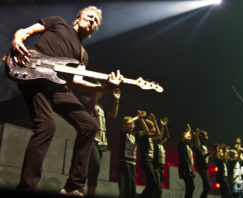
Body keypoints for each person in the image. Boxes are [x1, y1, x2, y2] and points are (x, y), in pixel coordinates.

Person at [9, 5, 123, 196]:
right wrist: (17, 39)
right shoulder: (58, 22)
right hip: (33, 73)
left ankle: (74, 186)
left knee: (89, 125)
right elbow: (25, 31)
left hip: (57, 85)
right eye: (90, 17)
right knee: (46, 126)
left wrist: (104, 88)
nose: (93, 21)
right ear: (79, 18)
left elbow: (77, 81)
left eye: (96, 22)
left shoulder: (82, 54)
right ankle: (26, 187)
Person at [85, 80, 121, 196]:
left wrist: (116, 100)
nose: (100, 93)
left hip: (101, 142)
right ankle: (77, 186)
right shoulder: (86, 100)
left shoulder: (101, 107)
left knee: (94, 171)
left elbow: (113, 115)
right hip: (91, 140)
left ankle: (91, 193)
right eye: (98, 90)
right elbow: (89, 107)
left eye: (101, 91)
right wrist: (96, 90)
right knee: (95, 166)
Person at [117, 110, 149, 198]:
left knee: (132, 187)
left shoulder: (135, 135)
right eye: (130, 123)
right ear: (125, 125)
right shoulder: (123, 132)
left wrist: (141, 119)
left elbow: (146, 131)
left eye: (133, 124)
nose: (132, 125)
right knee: (125, 188)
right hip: (123, 162)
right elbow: (127, 121)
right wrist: (137, 117)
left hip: (132, 163)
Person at [139, 113, 161, 198]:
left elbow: (159, 135)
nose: (154, 129)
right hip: (146, 161)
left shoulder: (151, 137)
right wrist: (142, 120)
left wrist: (155, 122)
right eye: (151, 127)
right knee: (153, 183)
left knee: (151, 184)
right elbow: (150, 133)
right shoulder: (143, 135)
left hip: (151, 162)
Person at [177, 124, 199, 198]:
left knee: (190, 188)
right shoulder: (181, 145)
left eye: (190, 137)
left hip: (189, 170)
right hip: (185, 170)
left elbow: (197, 147)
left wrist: (196, 137)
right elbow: (184, 138)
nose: (190, 138)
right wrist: (189, 131)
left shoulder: (188, 147)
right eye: (188, 137)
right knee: (191, 187)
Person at [194, 129, 214, 198]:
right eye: (205, 135)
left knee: (207, 187)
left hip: (205, 167)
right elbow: (201, 157)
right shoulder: (198, 145)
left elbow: (207, 158)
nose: (207, 136)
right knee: (207, 186)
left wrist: (213, 152)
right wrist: (209, 153)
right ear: (201, 136)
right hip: (201, 167)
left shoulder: (204, 146)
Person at [153, 117, 170, 198]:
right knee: (157, 188)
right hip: (155, 166)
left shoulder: (161, 144)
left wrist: (165, 126)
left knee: (160, 188)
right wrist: (162, 126)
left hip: (160, 167)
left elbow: (167, 136)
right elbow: (160, 136)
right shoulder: (154, 143)